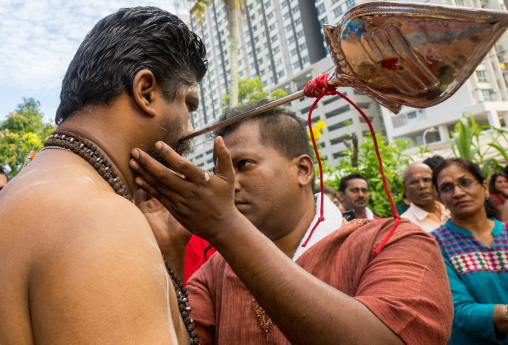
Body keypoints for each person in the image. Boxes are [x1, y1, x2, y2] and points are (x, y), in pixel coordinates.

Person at [130, 104, 454, 344]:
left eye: (243, 164)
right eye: (221, 172)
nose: (228, 184)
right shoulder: (216, 271)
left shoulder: (392, 241)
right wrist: (170, 250)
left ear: (302, 171)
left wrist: (225, 226)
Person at [0, 7, 206, 344]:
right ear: (146, 92)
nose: (190, 129)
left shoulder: (21, 196)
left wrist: (167, 253)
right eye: (189, 104)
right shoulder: (101, 220)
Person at [430, 158, 508, 344]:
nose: (458, 193)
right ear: (440, 199)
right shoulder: (433, 245)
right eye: (447, 188)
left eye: (465, 183)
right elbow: (460, 311)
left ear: (485, 187)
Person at [401, 163, 450, 232]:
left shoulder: (452, 212)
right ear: (405, 189)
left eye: (426, 180)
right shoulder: (404, 225)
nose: (422, 186)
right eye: (414, 182)